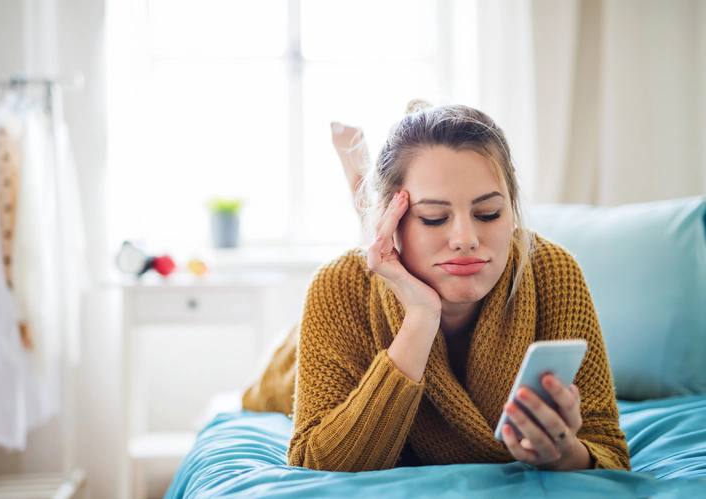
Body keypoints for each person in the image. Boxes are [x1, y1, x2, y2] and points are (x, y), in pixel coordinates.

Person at [242, 101, 630, 472]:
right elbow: (316, 461)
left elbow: (607, 449)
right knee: (273, 383)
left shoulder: (551, 270)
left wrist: (564, 454)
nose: (465, 238)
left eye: (488, 213)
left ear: (512, 210)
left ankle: (370, 193)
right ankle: (360, 190)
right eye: (432, 217)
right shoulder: (337, 286)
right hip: (294, 360)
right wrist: (420, 317)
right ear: (394, 222)